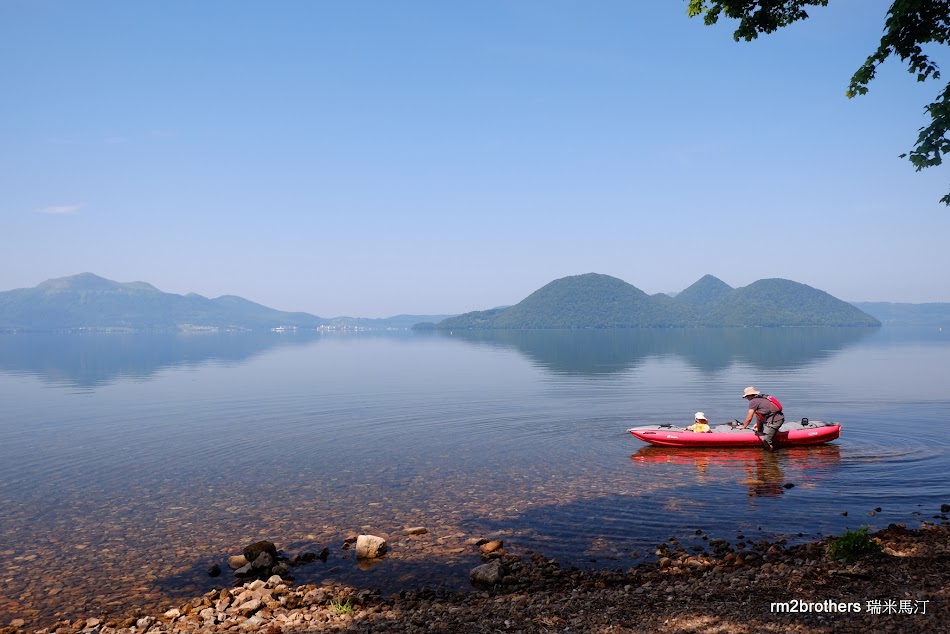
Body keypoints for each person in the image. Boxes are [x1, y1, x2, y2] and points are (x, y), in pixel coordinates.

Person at [737, 386, 784, 451]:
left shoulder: (753, 402)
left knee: (765, 440)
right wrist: (758, 427)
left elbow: (749, 417)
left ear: (749, 395)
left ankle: (771, 455)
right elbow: (760, 414)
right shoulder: (762, 398)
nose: (747, 398)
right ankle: (761, 431)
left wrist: (744, 426)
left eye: (746, 397)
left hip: (775, 421)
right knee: (758, 414)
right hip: (776, 418)